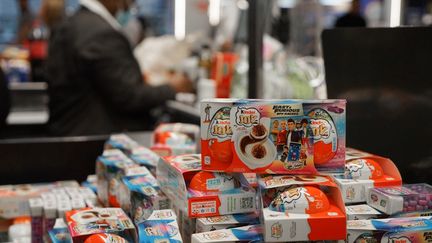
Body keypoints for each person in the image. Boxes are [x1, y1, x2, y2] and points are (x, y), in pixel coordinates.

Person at [46, 0, 191, 136]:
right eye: (126, 1)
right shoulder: (101, 34)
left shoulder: (73, 23)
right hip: (94, 139)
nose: (127, 8)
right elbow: (130, 96)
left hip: (71, 132)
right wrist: (173, 87)